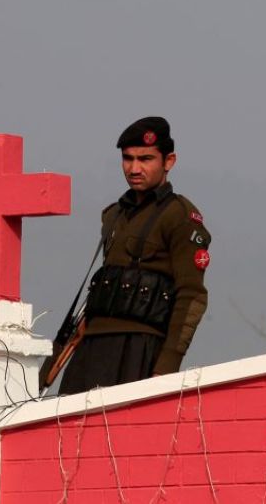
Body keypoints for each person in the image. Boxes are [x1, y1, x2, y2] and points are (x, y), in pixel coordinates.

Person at [58, 116, 211, 395]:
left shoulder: (180, 217)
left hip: (140, 347)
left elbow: (191, 296)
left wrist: (165, 368)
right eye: (128, 159)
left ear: (169, 161)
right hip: (93, 346)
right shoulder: (114, 214)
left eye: (145, 159)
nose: (134, 168)